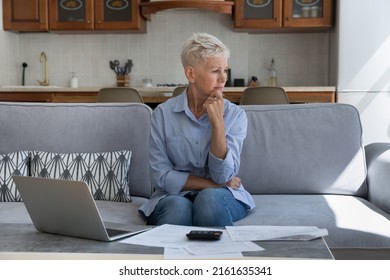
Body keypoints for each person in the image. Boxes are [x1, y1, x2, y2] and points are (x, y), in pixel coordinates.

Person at [138, 33, 255, 226]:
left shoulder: (235, 116)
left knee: (208, 200)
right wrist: (210, 184)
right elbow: (161, 176)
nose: (223, 78)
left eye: (225, 70)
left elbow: (223, 177)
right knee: (178, 207)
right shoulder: (163, 114)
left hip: (221, 196)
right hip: (172, 196)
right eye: (216, 70)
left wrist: (217, 122)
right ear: (191, 74)